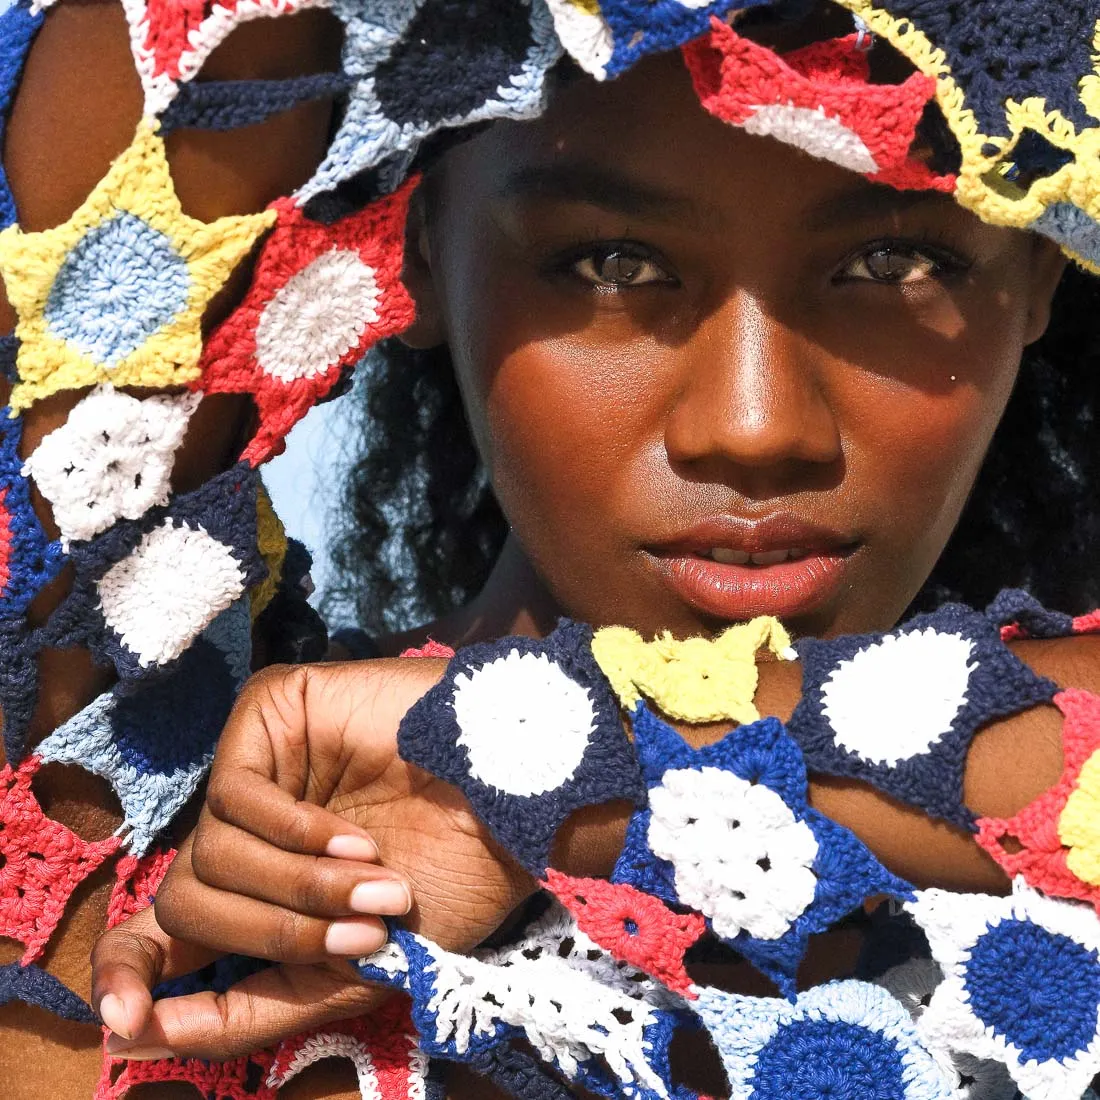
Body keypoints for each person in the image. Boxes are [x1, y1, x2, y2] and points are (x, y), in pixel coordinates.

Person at [3, 0, 1100, 1098]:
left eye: (886, 259)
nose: (756, 423)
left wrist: (546, 755)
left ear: (1042, 267)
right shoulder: (136, 833)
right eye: (610, 262)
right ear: (419, 245)